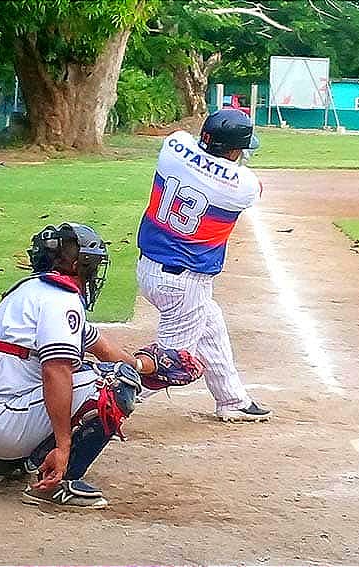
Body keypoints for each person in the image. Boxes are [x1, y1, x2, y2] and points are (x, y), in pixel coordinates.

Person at [0, 222, 203, 508]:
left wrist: (145, 365)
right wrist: (63, 446)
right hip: (2, 426)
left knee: (96, 370)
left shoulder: (30, 291)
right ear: (79, 264)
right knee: (115, 383)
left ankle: (3, 464)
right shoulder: (61, 300)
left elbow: (101, 347)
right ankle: (60, 482)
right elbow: (56, 371)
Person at [136, 109, 272, 423]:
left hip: (149, 267)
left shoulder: (174, 146)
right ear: (235, 149)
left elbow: (190, 143)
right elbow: (252, 186)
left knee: (211, 320)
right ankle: (91, 406)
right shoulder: (243, 186)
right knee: (172, 362)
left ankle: (232, 399)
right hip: (183, 281)